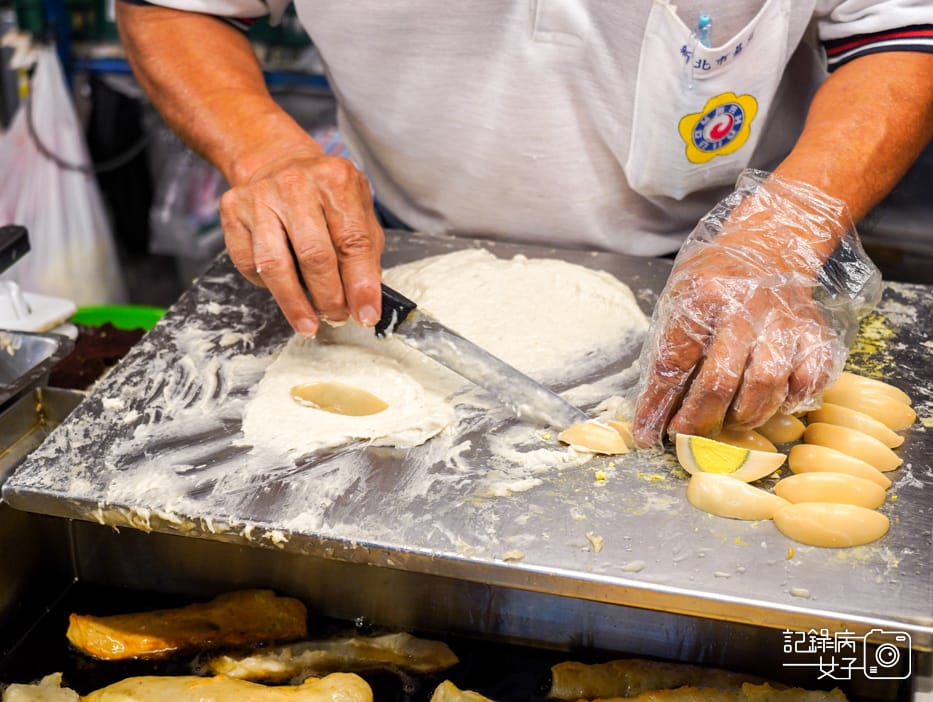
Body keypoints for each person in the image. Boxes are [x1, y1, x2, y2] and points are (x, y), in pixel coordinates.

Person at [114, 2, 933, 446]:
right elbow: (177, 7)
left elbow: (900, 32)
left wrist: (782, 229)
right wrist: (264, 153)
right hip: (398, 251)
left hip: (728, 257)